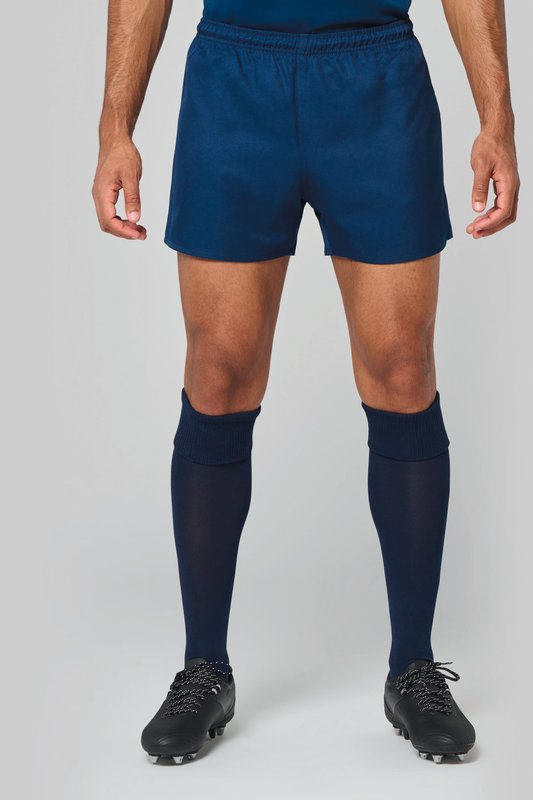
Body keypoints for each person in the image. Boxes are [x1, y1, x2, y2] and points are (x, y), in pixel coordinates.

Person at [92, 0, 519, 766]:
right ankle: (203, 668)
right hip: (233, 78)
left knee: (402, 368)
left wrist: (497, 116)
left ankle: (412, 668)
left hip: (374, 75)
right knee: (217, 371)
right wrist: (114, 126)